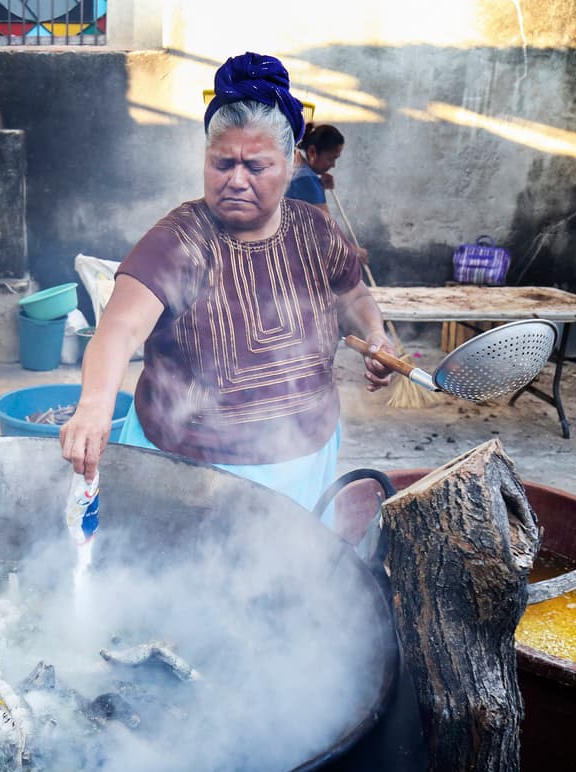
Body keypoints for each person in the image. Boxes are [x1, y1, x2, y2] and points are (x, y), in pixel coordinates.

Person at [59, 53, 396, 512]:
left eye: (256, 167)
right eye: (222, 163)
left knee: (293, 557)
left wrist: (375, 333)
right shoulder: (178, 241)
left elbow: (351, 295)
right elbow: (120, 328)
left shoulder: (315, 230)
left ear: (290, 164)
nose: (236, 180)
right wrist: (95, 404)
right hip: (190, 471)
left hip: (303, 457)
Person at [286, 123, 369, 265]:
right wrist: (353, 252)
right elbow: (325, 233)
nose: (333, 165)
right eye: (330, 159)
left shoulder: (296, 164)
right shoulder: (306, 180)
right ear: (312, 151)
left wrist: (319, 185)